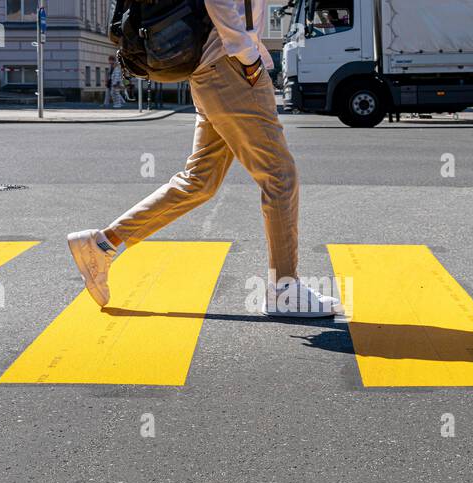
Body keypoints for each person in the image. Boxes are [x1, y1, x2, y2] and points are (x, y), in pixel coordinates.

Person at [68, 1, 341, 318]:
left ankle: (102, 244)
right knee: (279, 176)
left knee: (199, 182)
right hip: (230, 67)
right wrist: (247, 56)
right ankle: (284, 288)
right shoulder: (238, 57)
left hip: (213, 68)